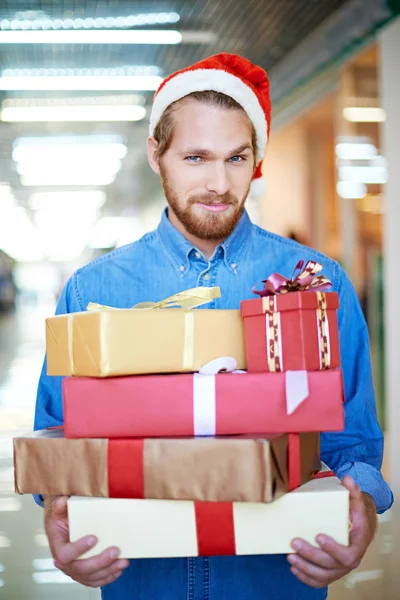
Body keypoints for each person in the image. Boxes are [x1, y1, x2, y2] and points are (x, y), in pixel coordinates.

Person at [34, 53, 393, 600]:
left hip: (275, 580)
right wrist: (58, 515)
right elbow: (59, 438)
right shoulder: (92, 293)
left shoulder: (318, 284)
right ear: (157, 155)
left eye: (237, 158)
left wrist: (360, 503)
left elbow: (353, 441)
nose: (218, 183)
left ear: (256, 160)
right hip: (144, 581)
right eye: (196, 157)